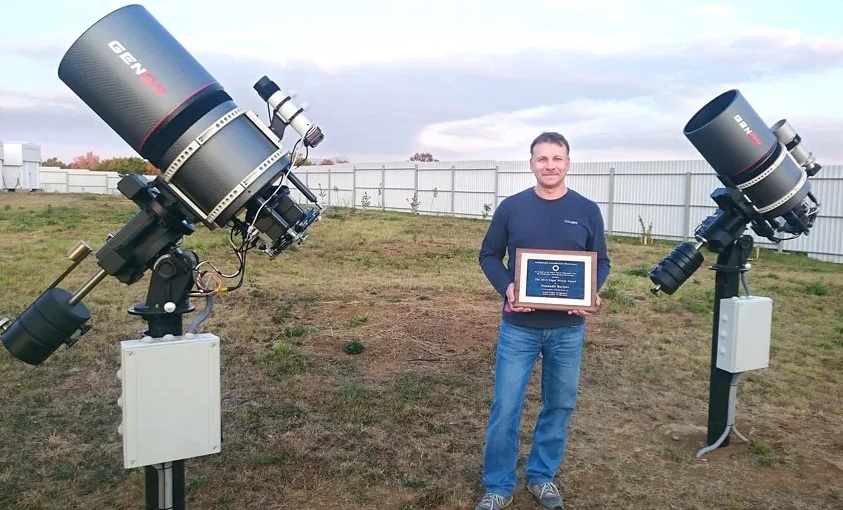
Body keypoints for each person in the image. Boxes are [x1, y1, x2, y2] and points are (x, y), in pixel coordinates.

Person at [474, 131, 611, 510]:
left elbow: (600, 260)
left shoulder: (587, 210)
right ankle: (498, 486)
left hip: (568, 330)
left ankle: (541, 476)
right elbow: (488, 255)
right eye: (542, 159)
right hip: (518, 328)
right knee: (506, 406)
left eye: (557, 158)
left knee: (560, 405)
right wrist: (508, 288)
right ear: (531, 163)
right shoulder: (512, 208)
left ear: (568, 163)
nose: (550, 165)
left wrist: (591, 291)